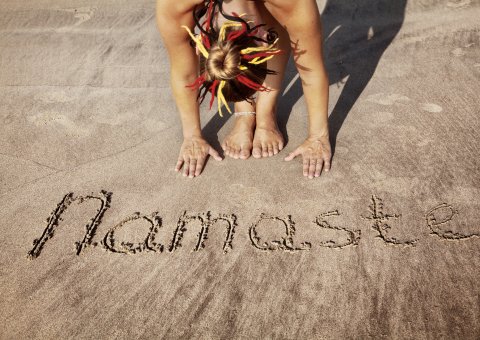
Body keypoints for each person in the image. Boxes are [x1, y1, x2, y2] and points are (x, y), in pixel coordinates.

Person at [156, 0, 331, 179]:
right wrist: (192, 136)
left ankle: (265, 109)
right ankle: (245, 110)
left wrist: (318, 137)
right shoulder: (174, 5)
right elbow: (184, 73)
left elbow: (311, 71)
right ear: (200, 45)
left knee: (284, 12)